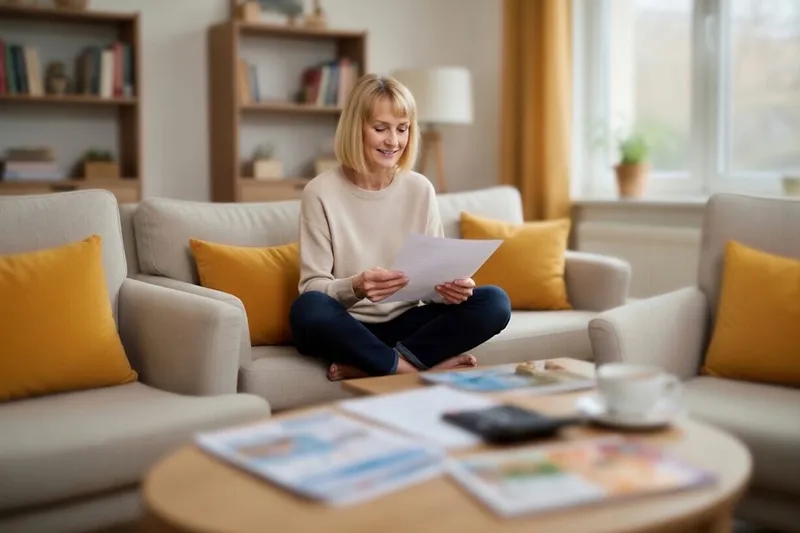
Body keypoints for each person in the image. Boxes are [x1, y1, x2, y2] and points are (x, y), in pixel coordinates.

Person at [289, 73, 511, 381]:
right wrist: (355, 286)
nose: (393, 141)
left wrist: (450, 290)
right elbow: (312, 288)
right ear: (356, 129)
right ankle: (412, 368)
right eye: (380, 128)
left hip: (407, 322)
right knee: (307, 310)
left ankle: (376, 366)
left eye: (402, 129)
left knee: (494, 302)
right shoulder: (320, 192)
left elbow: (432, 281)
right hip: (348, 325)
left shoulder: (420, 189)